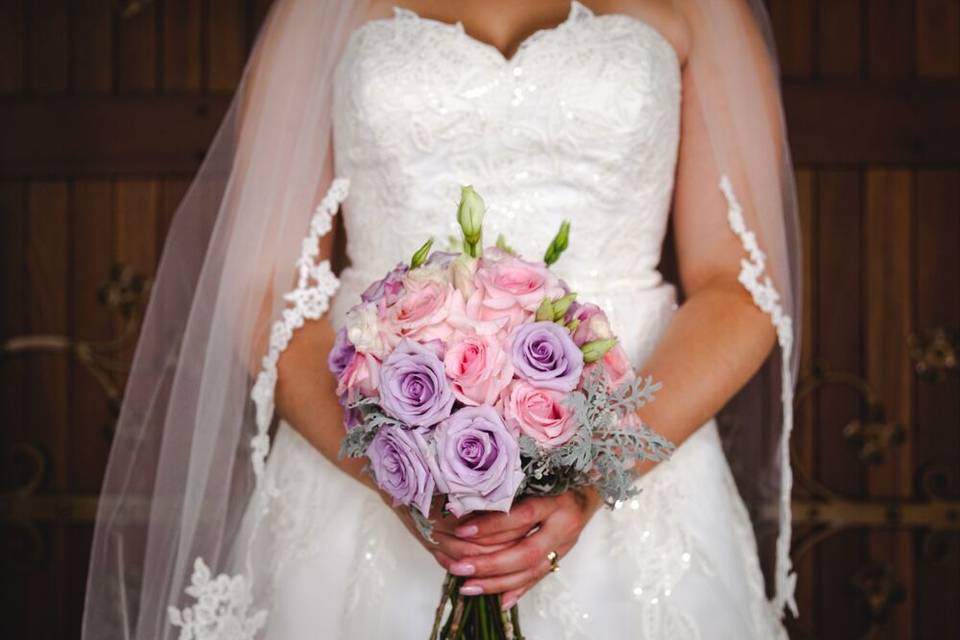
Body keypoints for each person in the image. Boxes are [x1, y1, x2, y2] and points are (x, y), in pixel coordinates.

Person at [83, 1, 801, 638]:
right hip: (359, 454)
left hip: (638, 453)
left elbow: (739, 286)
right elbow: (269, 285)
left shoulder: (705, 9)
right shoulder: (317, 9)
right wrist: (392, 466)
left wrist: (591, 477)